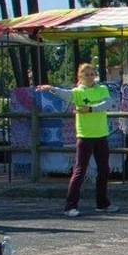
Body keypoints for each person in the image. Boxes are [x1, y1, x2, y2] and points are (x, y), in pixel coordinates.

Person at [36, 63, 119, 217]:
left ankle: (102, 203)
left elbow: (107, 104)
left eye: (92, 73)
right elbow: (65, 94)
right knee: (80, 170)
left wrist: (90, 109)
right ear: (80, 76)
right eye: (86, 74)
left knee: (104, 170)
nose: (89, 77)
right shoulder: (78, 92)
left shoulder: (102, 89)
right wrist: (51, 88)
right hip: (85, 135)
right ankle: (70, 206)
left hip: (101, 134)